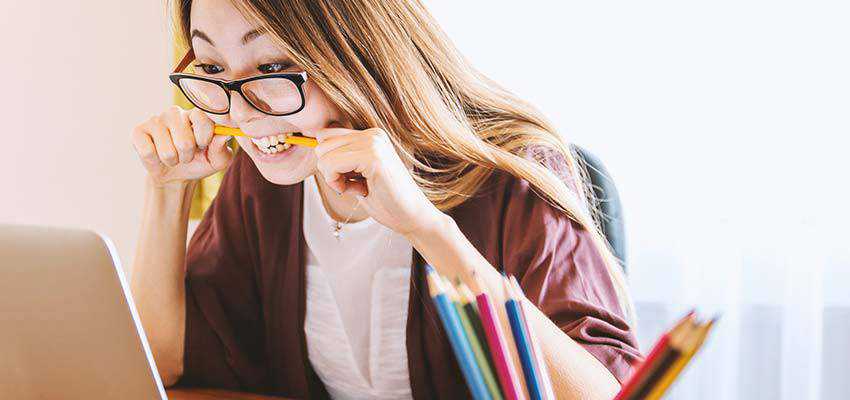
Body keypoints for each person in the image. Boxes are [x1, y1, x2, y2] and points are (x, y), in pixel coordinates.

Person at [129, 0, 643, 398]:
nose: (243, 114)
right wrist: (167, 192)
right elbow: (161, 362)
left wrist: (427, 228)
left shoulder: (513, 174)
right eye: (215, 69)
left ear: (359, 51)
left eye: (272, 65)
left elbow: (605, 393)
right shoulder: (264, 182)